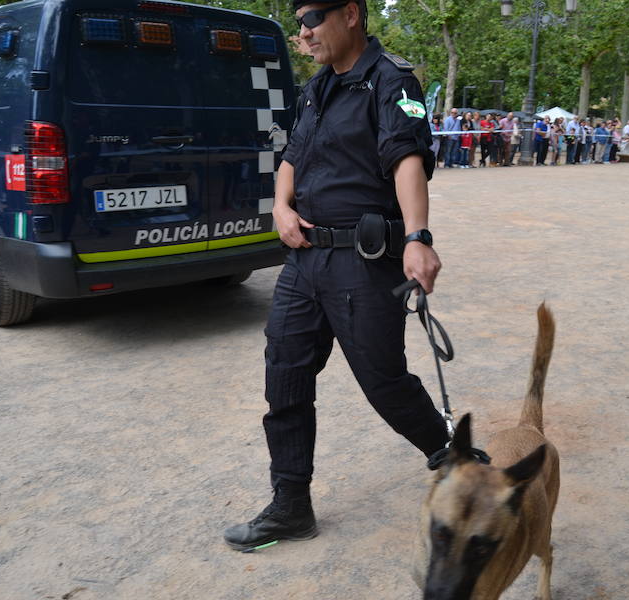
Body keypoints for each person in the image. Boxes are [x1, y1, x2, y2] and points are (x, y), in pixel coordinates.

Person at [223, 0, 449, 552]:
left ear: (350, 13)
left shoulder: (391, 82)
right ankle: (291, 505)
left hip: (363, 260)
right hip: (305, 260)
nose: (303, 33)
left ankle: (455, 458)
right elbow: (292, 158)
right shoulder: (317, 89)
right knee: (286, 375)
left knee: (384, 381)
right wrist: (280, 206)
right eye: (298, 23)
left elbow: (406, 159)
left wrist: (418, 236)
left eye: (311, 20)